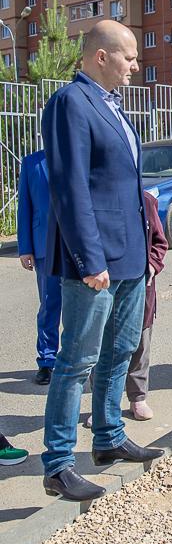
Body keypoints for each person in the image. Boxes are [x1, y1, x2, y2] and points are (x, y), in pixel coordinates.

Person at [40, 20, 163, 502]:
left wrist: (146, 251)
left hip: (130, 256)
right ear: (101, 57)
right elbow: (70, 189)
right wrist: (90, 259)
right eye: (129, 57)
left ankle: (109, 437)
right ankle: (57, 463)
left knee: (119, 350)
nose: (136, 64)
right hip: (96, 261)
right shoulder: (71, 103)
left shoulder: (112, 105)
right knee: (77, 361)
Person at [16, 149, 61, 386]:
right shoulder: (32, 163)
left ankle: (76, 362)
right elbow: (25, 205)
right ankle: (47, 360)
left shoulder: (79, 155)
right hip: (44, 247)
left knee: (82, 307)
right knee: (49, 304)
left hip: (76, 247)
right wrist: (25, 248)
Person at [124, 190, 169, 421]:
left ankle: (138, 398)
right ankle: (102, 404)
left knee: (140, 344)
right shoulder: (98, 198)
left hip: (142, 286)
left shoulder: (147, 201)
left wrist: (152, 265)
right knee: (104, 348)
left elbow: (160, 243)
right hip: (107, 286)